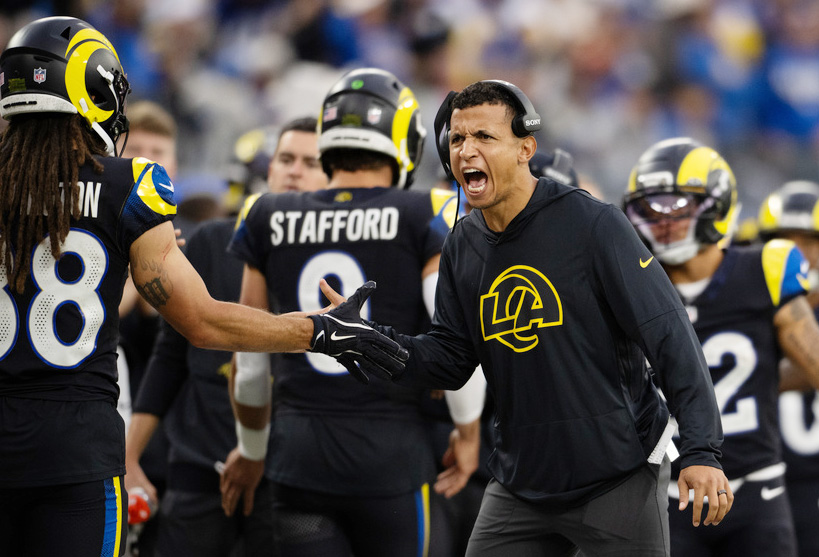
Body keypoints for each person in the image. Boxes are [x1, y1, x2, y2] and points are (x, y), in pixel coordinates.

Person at [0, 17, 406, 557]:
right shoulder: (128, 185)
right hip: (76, 454)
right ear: (92, 90)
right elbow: (203, 322)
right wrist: (318, 331)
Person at [320, 79, 733, 556]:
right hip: (522, 484)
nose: (466, 150)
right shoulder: (462, 244)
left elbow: (670, 335)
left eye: (484, 137)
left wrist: (702, 450)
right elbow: (451, 361)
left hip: (618, 474)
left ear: (525, 148)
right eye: (457, 140)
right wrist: (371, 341)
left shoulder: (593, 225)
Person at [221, 67, 484, 557]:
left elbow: (250, 362)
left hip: (299, 461)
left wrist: (252, 450)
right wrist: (468, 433)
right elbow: (457, 345)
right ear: (404, 138)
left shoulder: (265, 212)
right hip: (390, 463)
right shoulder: (427, 207)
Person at [123, 116, 328, 557]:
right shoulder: (213, 240)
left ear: (332, 176)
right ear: (267, 169)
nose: (294, 170)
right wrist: (131, 455)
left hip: (291, 474)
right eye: (286, 159)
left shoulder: (338, 258)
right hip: (199, 464)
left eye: (310, 162)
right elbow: (169, 356)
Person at [624, 140, 819, 556]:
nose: (664, 222)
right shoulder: (634, 285)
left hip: (756, 492)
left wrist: (767, 382)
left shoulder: (762, 270)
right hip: (666, 497)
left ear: (717, 204)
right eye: (652, 209)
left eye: (679, 207)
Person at [116, 99, 181, 557]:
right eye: (136, 149)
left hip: (171, 448)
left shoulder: (191, 241)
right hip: (104, 434)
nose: (146, 160)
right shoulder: (90, 231)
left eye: (157, 152)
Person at [758, 180, 819, 557]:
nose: (798, 254)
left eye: (810, 241)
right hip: (763, 482)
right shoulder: (747, 307)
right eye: (785, 241)